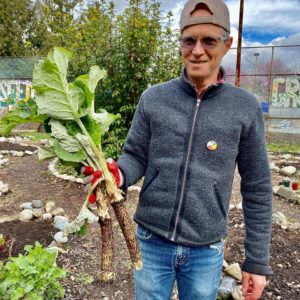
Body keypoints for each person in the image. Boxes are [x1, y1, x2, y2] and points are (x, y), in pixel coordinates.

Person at [106, 0, 273, 299]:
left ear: (227, 44)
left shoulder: (244, 108)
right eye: (189, 40)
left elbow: (258, 187)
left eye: (209, 40)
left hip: (205, 251)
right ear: (181, 42)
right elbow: (135, 155)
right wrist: (116, 175)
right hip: (151, 240)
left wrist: (257, 262)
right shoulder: (154, 99)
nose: (197, 50)